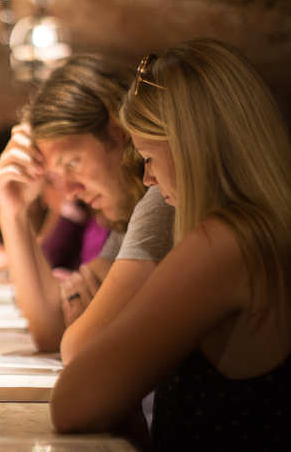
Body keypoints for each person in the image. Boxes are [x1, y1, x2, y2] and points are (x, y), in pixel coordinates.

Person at [50, 40, 291, 449]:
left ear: (190, 148)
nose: (147, 179)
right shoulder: (266, 228)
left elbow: (72, 402)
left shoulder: (223, 244)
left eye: (148, 156)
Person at [0, 54, 174, 353]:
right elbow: (51, 328)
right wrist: (12, 211)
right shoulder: (128, 215)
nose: (70, 192)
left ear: (118, 128)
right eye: (55, 175)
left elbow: (68, 343)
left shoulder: (162, 201)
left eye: (73, 163)